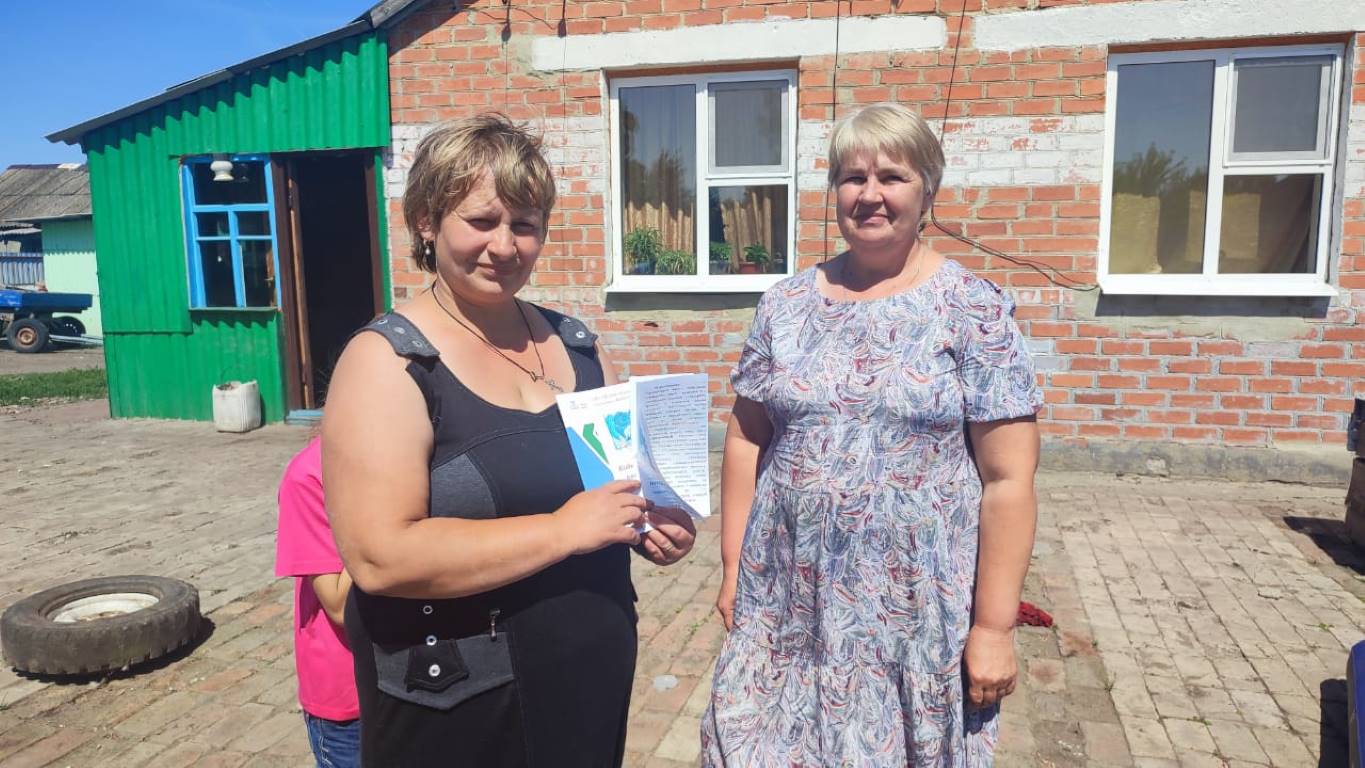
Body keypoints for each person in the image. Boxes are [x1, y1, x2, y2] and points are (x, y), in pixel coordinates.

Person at [322, 114, 698, 767]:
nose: (504, 246)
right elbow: (380, 557)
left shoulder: (577, 346)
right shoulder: (388, 361)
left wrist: (654, 526)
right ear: (426, 221)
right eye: (481, 221)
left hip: (587, 674)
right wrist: (561, 531)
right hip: (457, 702)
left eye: (524, 224)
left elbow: (617, 491)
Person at [701, 102, 1043, 766]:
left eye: (891, 176)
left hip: (912, 610)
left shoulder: (972, 309)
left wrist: (994, 626)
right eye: (852, 177)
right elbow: (746, 437)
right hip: (788, 600)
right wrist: (734, 567)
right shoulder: (785, 306)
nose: (869, 194)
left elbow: (1008, 481)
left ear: (927, 190)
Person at [275, 435, 359, 768]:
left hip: (412, 679)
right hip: (348, 697)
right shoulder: (309, 475)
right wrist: (384, 515)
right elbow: (338, 605)